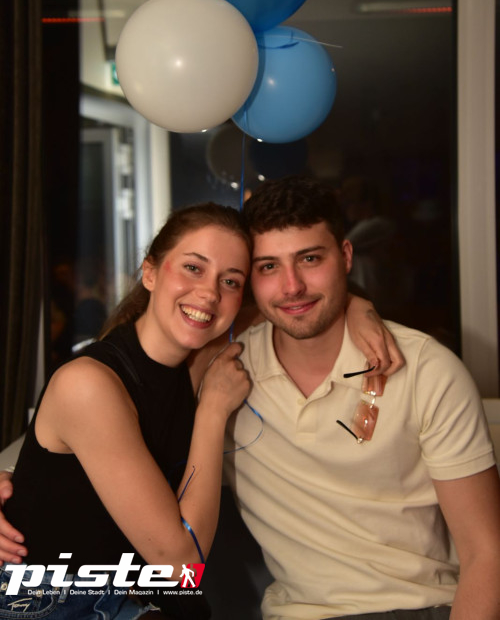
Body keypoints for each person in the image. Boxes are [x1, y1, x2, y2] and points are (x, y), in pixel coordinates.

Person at [0, 198, 399, 620]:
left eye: (231, 281)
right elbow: (181, 569)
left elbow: (298, 306)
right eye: (193, 267)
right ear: (150, 272)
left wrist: (360, 309)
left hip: (129, 598)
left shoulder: (192, 358)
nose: (210, 293)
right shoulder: (89, 384)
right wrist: (212, 410)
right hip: (47, 603)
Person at [217, 176, 499, 620]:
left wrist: (355, 305)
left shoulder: (428, 371)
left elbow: (487, 553)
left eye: (310, 259)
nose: (292, 285)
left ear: (346, 257)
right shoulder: (227, 373)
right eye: (268, 266)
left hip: (421, 608)